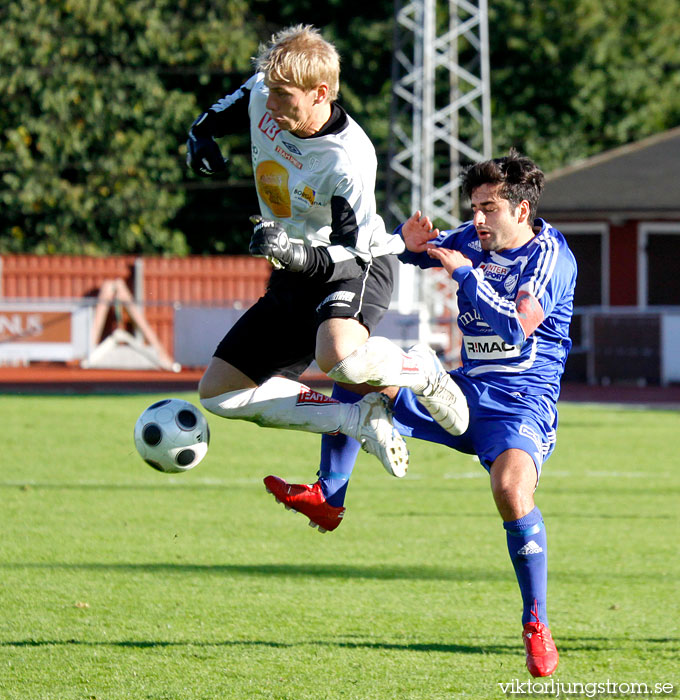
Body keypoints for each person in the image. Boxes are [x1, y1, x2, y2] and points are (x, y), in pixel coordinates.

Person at [266, 150, 577, 678]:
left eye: (488, 209)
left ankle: (536, 624)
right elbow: (413, 254)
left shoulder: (549, 258)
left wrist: (467, 280)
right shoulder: (471, 239)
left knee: (510, 491)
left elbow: (517, 329)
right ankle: (328, 497)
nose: (476, 220)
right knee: (352, 368)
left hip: (521, 403)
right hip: (459, 389)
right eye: (473, 207)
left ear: (521, 211)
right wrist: (410, 243)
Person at [186, 24, 467, 525]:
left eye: (282, 95)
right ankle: (354, 419)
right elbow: (215, 114)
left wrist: (293, 254)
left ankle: (421, 370)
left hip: (355, 265)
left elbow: (352, 253)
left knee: (337, 355)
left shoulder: (349, 160)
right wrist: (200, 137)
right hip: (296, 268)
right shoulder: (260, 92)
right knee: (220, 394)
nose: (269, 102)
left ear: (321, 93)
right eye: (268, 89)